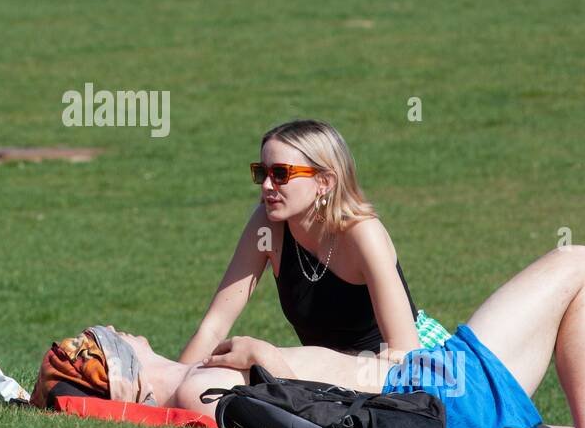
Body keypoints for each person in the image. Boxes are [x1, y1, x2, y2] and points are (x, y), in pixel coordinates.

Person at [30, 244, 585, 428]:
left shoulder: (195, 379)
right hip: (432, 395)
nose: (115, 322)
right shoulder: (205, 390)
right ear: (118, 364)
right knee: (578, 263)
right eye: (99, 333)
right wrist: (268, 355)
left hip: (420, 402)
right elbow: (313, 424)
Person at [180, 120, 434, 368]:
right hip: (328, 375)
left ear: (324, 181)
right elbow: (214, 328)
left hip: (399, 371)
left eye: (280, 174)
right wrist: (174, 385)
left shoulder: (363, 233)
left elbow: (404, 353)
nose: (267, 186)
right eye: (262, 173)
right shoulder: (266, 226)